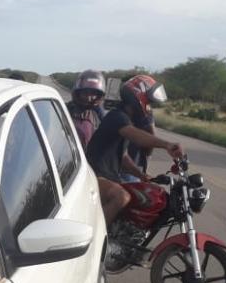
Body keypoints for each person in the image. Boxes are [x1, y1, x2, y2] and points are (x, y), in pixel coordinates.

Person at [86, 74, 184, 224]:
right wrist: (167, 145)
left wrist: (142, 175)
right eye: (149, 102)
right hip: (93, 176)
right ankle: (96, 235)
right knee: (121, 197)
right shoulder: (117, 117)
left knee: (144, 196)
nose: (149, 107)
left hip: (106, 176)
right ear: (138, 96)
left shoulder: (124, 118)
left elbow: (123, 157)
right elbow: (138, 137)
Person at [66, 69, 107, 149]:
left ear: (98, 96)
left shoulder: (100, 114)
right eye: (85, 93)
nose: (89, 98)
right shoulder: (68, 109)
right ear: (78, 93)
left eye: (93, 94)